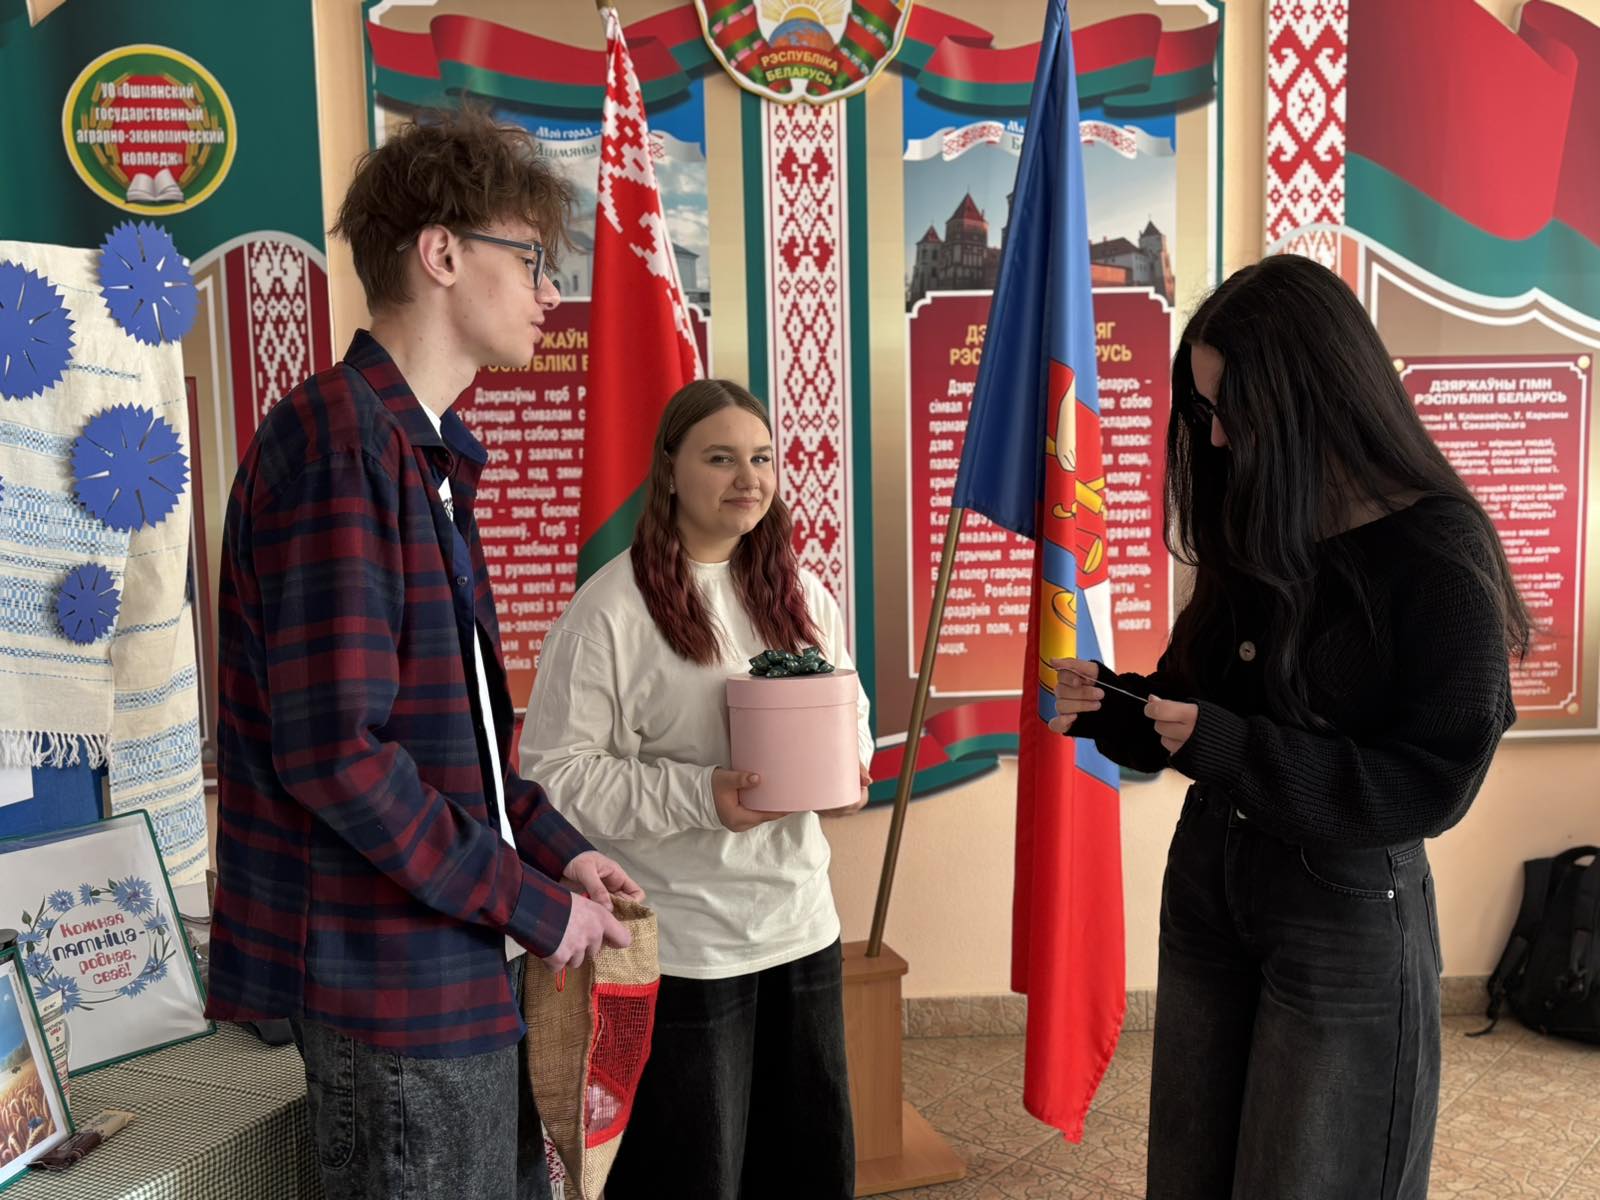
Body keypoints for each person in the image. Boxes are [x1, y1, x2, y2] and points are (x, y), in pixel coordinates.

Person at [207, 108, 642, 1200]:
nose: (550, 294)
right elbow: (338, 757)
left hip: (449, 968)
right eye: (530, 259)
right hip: (388, 988)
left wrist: (555, 852)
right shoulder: (341, 442)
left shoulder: (416, 450)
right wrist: (535, 906)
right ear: (442, 254)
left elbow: (463, 748)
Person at [1052, 254, 1524, 1199]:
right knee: (1189, 1171)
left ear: (1316, 396)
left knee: (1311, 1177)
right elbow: (1200, 703)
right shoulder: (1258, 519)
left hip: (1342, 908)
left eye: (1234, 409)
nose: (1217, 437)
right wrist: (1118, 706)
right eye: (1204, 410)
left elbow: (1430, 782)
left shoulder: (1439, 554)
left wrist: (1227, 745)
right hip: (1210, 882)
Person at [518, 378, 873, 1200]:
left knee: (807, 1171)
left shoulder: (800, 592)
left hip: (799, 926)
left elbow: (850, 711)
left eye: (762, 458)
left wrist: (845, 768)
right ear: (670, 470)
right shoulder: (611, 610)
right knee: (691, 1176)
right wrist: (701, 795)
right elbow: (554, 776)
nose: (749, 478)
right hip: (685, 949)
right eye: (720, 458)